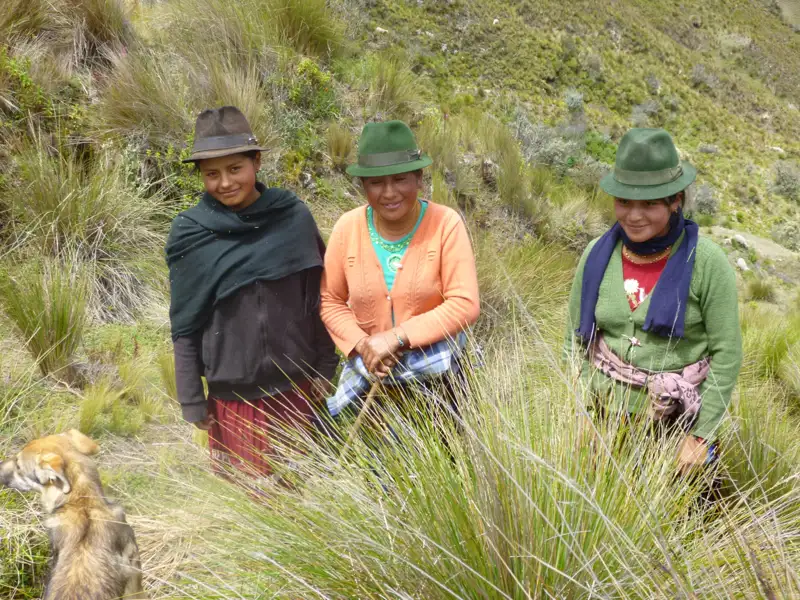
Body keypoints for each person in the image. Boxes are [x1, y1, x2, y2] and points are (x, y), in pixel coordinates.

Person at [166, 106, 339, 479]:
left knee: (305, 491)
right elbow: (185, 321)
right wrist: (191, 398)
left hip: (297, 388)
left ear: (256, 162)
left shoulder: (292, 218)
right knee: (250, 500)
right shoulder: (191, 233)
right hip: (234, 400)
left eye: (235, 169)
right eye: (212, 174)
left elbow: (319, 297)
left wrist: (326, 366)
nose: (225, 183)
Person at [564, 128, 743, 475]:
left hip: (682, 422)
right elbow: (574, 339)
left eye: (649, 204)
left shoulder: (708, 263)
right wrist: (583, 410)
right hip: (603, 417)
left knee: (685, 508)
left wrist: (701, 436)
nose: (634, 216)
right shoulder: (595, 256)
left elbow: (727, 354)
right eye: (624, 201)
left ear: (676, 200)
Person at [320, 120, 480, 422]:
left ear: (418, 179)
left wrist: (397, 337)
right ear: (363, 185)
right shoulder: (347, 229)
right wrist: (363, 345)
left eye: (400, 179)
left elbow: (465, 303)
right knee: (371, 453)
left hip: (439, 386)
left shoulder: (446, 224)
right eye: (376, 182)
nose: (389, 192)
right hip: (370, 381)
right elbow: (330, 300)